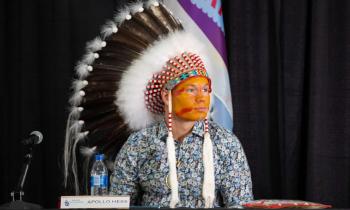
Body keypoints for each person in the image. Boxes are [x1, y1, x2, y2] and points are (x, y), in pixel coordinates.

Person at [109, 52, 253, 208]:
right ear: (166, 96)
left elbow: (240, 205)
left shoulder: (225, 142)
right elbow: (118, 204)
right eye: (191, 90)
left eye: (205, 90)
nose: (202, 98)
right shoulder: (139, 143)